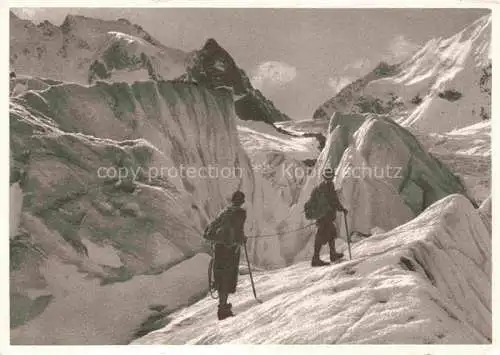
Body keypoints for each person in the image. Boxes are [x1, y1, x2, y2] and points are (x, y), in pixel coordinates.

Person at [204, 190, 247, 320]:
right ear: (241, 202)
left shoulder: (224, 212)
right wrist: (243, 239)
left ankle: (222, 306)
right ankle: (223, 310)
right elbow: (238, 232)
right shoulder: (240, 213)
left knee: (221, 277)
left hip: (219, 249)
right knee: (228, 277)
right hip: (230, 251)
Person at [309, 167, 348, 267]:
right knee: (321, 236)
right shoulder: (328, 187)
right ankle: (316, 259)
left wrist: (340, 208)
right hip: (325, 217)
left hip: (323, 217)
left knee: (331, 234)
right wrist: (341, 209)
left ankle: (332, 254)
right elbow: (334, 201)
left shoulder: (321, 187)